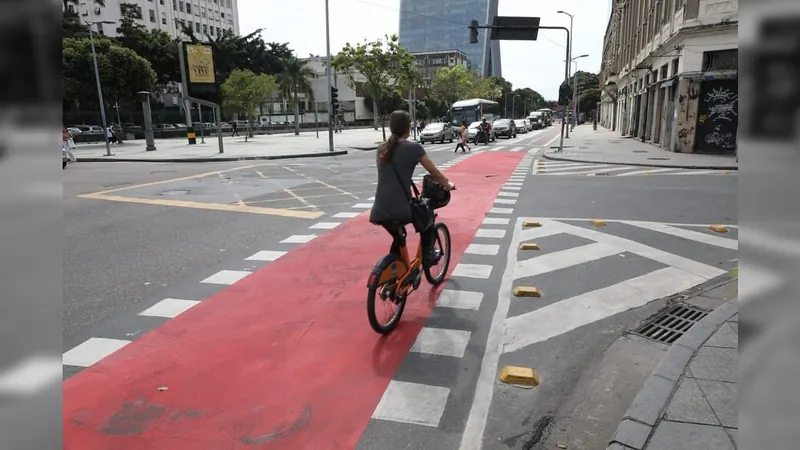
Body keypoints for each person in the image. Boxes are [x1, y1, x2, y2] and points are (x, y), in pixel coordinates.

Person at [370, 110, 453, 264]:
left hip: (379, 208)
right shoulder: (413, 149)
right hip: (400, 209)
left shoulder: (381, 148)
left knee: (398, 238)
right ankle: (428, 254)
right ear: (409, 127)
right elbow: (434, 172)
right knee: (426, 214)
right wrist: (447, 185)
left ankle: (393, 275)